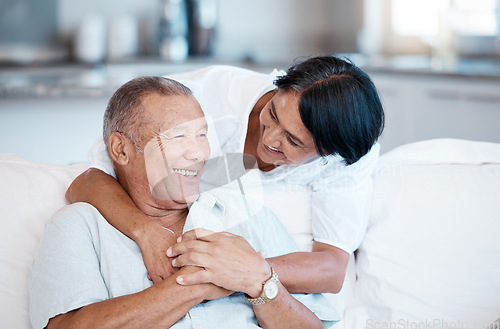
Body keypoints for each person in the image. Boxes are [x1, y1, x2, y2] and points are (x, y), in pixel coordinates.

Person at [29, 76, 338, 329]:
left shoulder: (246, 215)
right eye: (177, 136)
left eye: (202, 135)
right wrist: (199, 282)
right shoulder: (78, 226)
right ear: (121, 150)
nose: (198, 153)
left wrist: (260, 281)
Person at [66, 55, 385, 294]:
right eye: (272, 114)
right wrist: (147, 233)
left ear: (327, 153)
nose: (270, 138)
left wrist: (239, 269)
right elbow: (91, 178)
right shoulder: (204, 99)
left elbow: (331, 269)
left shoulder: (349, 156)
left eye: (293, 140)